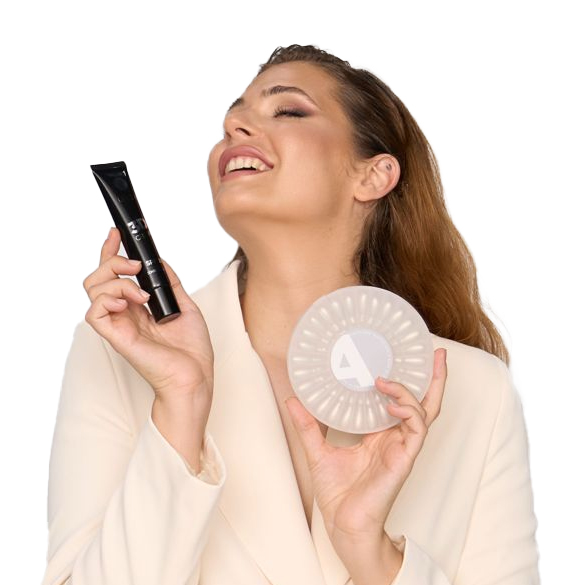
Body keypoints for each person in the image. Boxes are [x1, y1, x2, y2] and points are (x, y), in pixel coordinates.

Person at [41, 44, 540, 584]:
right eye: (231, 118)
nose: (233, 126)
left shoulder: (474, 390)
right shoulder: (122, 355)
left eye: (288, 110)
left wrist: (369, 550)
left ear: (373, 176)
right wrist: (181, 407)